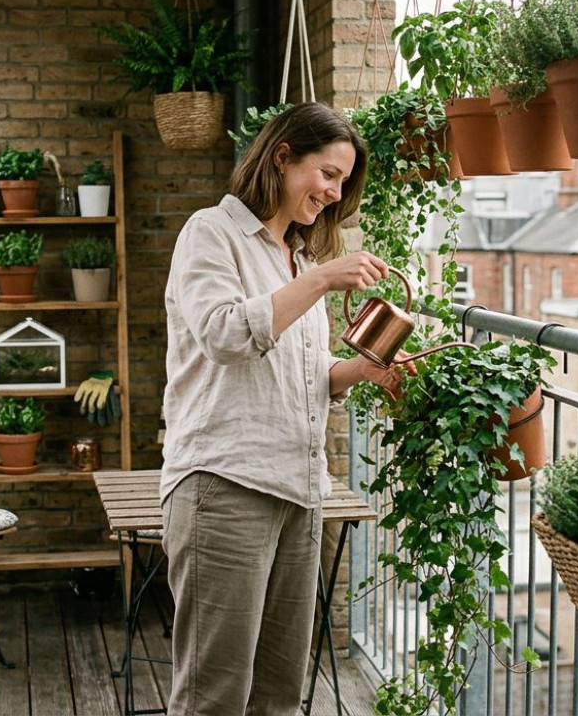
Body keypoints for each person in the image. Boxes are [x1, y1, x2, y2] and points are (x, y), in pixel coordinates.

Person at [160, 101, 412, 715]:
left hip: (300, 491)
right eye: (327, 173)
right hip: (224, 484)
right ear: (282, 157)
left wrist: (365, 370)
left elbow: (307, 373)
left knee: (277, 696)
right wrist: (325, 280)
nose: (334, 192)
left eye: (342, 182)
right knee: (213, 696)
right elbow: (223, 334)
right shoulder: (211, 234)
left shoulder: (294, 260)